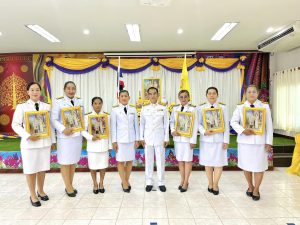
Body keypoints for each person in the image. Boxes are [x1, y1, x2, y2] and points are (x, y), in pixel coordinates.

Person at [12, 82, 55, 207]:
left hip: (44, 143)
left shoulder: (47, 107)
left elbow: (50, 126)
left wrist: (52, 141)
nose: (35, 92)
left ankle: (40, 190)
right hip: (29, 145)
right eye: (32, 90)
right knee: (31, 170)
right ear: (28, 92)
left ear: (40, 92)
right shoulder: (22, 107)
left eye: (37, 90)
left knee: (42, 168)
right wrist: (27, 135)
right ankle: (33, 195)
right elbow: (15, 124)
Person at [230, 85, 273, 201]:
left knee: (259, 167)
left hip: (260, 143)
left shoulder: (264, 106)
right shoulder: (240, 107)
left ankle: (256, 189)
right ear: (245, 94)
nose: (251, 94)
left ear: (258, 93)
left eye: (254, 91)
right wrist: (243, 130)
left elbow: (269, 126)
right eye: (249, 92)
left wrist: (269, 142)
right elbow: (233, 122)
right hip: (245, 142)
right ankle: (250, 186)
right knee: (246, 166)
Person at [51, 81, 84, 197]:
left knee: (73, 161)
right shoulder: (58, 101)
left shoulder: (80, 101)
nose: (71, 90)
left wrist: (83, 133)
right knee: (65, 162)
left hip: (77, 136)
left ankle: (70, 184)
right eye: (68, 88)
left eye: (73, 88)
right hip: (65, 137)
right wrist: (63, 129)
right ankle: (68, 187)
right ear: (64, 90)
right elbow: (53, 119)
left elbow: (82, 118)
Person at [198, 87, 229, 195]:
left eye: (214, 93)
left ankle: (216, 184)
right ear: (206, 95)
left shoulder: (223, 108)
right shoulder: (201, 108)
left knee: (218, 163)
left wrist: (226, 140)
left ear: (217, 95)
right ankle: (210, 183)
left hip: (219, 140)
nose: (212, 95)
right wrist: (204, 131)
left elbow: (226, 125)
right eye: (209, 93)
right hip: (206, 140)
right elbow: (198, 123)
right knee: (208, 163)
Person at [140, 87, 169, 192]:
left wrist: (166, 138)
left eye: (154, 93)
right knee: (148, 161)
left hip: (160, 138)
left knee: (161, 160)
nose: (152, 96)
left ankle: (161, 182)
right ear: (147, 95)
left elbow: (166, 124)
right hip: (148, 138)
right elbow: (142, 124)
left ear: (158, 95)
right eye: (150, 94)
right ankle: (149, 182)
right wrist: (141, 138)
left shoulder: (164, 108)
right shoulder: (144, 108)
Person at [111, 90, 139, 193]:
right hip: (120, 140)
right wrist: (114, 141)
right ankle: (124, 182)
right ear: (119, 98)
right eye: (122, 96)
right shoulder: (115, 110)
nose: (124, 98)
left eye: (126, 96)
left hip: (131, 139)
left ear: (129, 97)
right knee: (121, 161)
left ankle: (126, 180)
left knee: (130, 160)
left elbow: (136, 125)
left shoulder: (133, 109)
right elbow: (113, 127)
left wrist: (137, 139)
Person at [82, 97, 111, 194]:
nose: (97, 105)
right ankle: (95, 184)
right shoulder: (87, 117)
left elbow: (110, 132)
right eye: (95, 103)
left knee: (103, 166)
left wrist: (110, 146)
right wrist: (90, 137)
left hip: (103, 146)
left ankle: (101, 183)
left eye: (99, 103)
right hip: (92, 146)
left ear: (102, 104)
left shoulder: (107, 116)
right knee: (93, 167)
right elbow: (82, 130)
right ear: (92, 105)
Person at [170, 90, 198, 192]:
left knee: (188, 160)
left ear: (189, 98)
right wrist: (173, 130)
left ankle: (186, 181)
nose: (183, 99)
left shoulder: (193, 109)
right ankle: (182, 179)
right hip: (178, 139)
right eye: (181, 97)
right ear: (178, 98)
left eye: (185, 97)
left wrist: (193, 140)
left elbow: (195, 125)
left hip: (188, 140)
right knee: (180, 160)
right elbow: (172, 121)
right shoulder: (175, 109)